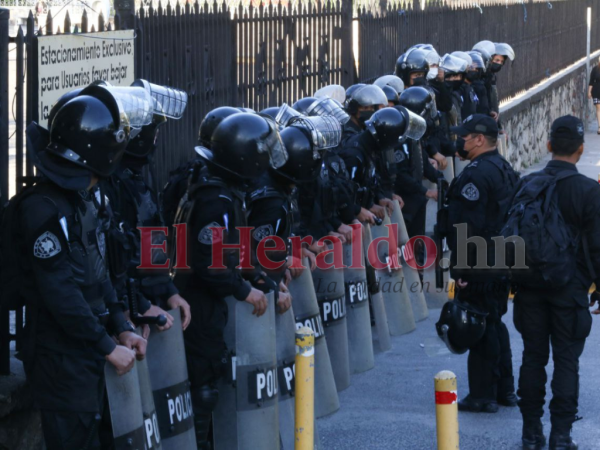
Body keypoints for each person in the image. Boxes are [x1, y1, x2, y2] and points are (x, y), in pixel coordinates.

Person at [17, 88, 147, 449]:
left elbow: (99, 270)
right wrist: (106, 344)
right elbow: (60, 293)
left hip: (90, 348)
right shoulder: (42, 210)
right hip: (61, 359)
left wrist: (121, 326)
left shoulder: (85, 199)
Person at [173, 112, 286, 449]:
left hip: (204, 299)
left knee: (209, 379)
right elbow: (211, 263)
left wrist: (260, 276)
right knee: (202, 387)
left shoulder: (221, 190)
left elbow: (235, 247)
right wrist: (244, 290)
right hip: (199, 301)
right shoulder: (216, 201)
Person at [513, 116, 600, 450]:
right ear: (581, 149)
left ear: (548, 146)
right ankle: (561, 436)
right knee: (567, 360)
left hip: (530, 287)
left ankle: (530, 432)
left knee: (532, 357)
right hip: (571, 290)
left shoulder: (528, 184)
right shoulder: (589, 191)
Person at [442, 114, 519, 414]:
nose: (459, 140)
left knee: (479, 323)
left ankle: (483, 395)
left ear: (478, 139)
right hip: (502, 258)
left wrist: (461, 271)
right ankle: (505, 390)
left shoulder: (475, 174)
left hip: (481, 260)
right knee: (495, 322)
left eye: (464, 136)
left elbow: (467, 228)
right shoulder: (504, 168)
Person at [101, 81, 191, 334]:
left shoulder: (135, 178)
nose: (157, 138)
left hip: (148, 306)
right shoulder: (111, 187)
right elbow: (112, 265)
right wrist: (135, 306)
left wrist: (168, 291)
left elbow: (151, 250)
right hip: (126, 316)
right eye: (155, 131)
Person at [588, 59, 600, 134]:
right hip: (596, 91)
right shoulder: (595, 69)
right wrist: (589, 91)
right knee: (598, 108)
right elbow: (591, 81)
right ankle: (599, 127)